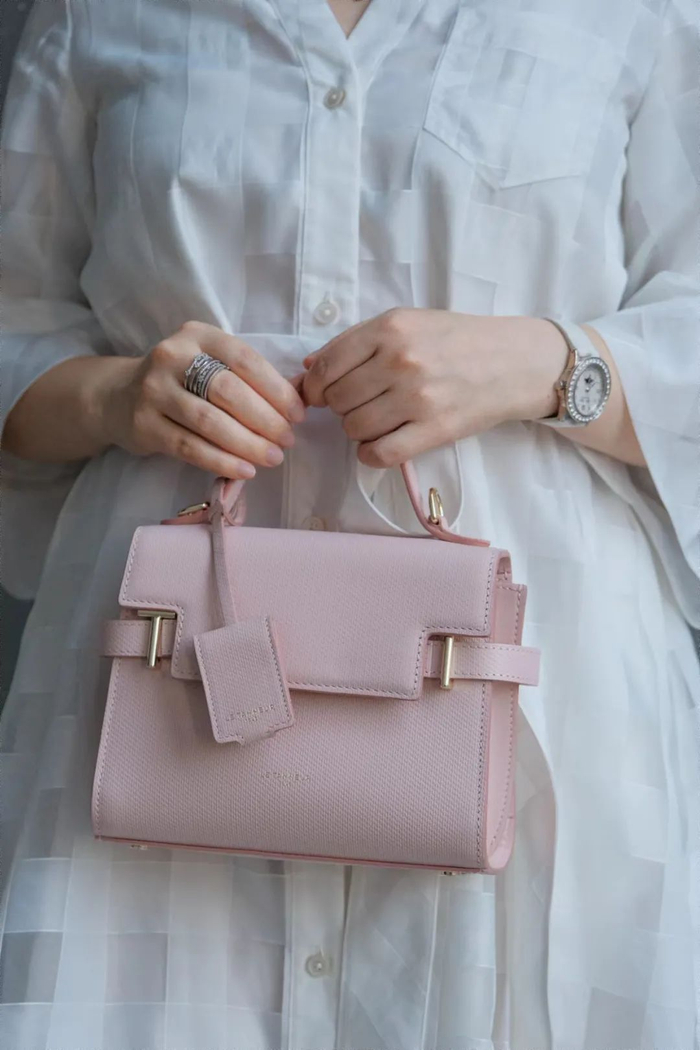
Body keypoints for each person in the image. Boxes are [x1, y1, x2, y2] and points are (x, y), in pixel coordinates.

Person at [1, 0, 699, 1046]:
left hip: (549, 698)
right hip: (160, 684)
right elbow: (15, 320)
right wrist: (112, 394)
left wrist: (549, 363)